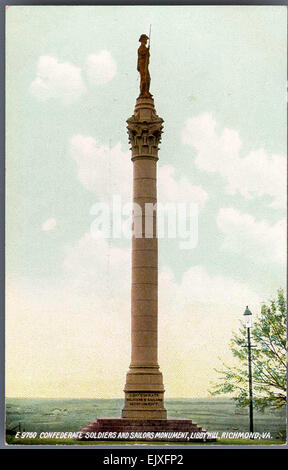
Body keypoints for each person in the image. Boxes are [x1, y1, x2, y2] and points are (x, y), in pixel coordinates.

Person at [137, 34, 152, 98]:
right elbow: (142, 53)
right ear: (142, 40)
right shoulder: (141, 48)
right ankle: (143, 92)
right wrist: (147, 51)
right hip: (142, 65)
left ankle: (146, 91)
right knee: (144, 78)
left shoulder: (145, 48)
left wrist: (147, 51)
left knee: (147, 78)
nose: (146, 41)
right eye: (145, 39)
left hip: (145, 65)